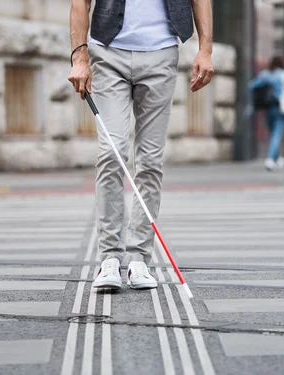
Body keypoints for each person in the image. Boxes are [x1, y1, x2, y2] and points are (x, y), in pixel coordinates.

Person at [68, 0, 214, 289]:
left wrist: (205, 50)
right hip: (107, 53)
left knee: (149, 161)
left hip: (161, 54)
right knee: (112, 152)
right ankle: (109, 257)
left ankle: (138, 259)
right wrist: (79, 58)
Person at [249, 56, 284, 171]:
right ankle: (270, 159)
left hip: (268, 107)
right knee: (277, 134)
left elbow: (252, 85)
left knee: (273, 133)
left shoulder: (265, 74)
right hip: (280, 108)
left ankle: (277, 159)